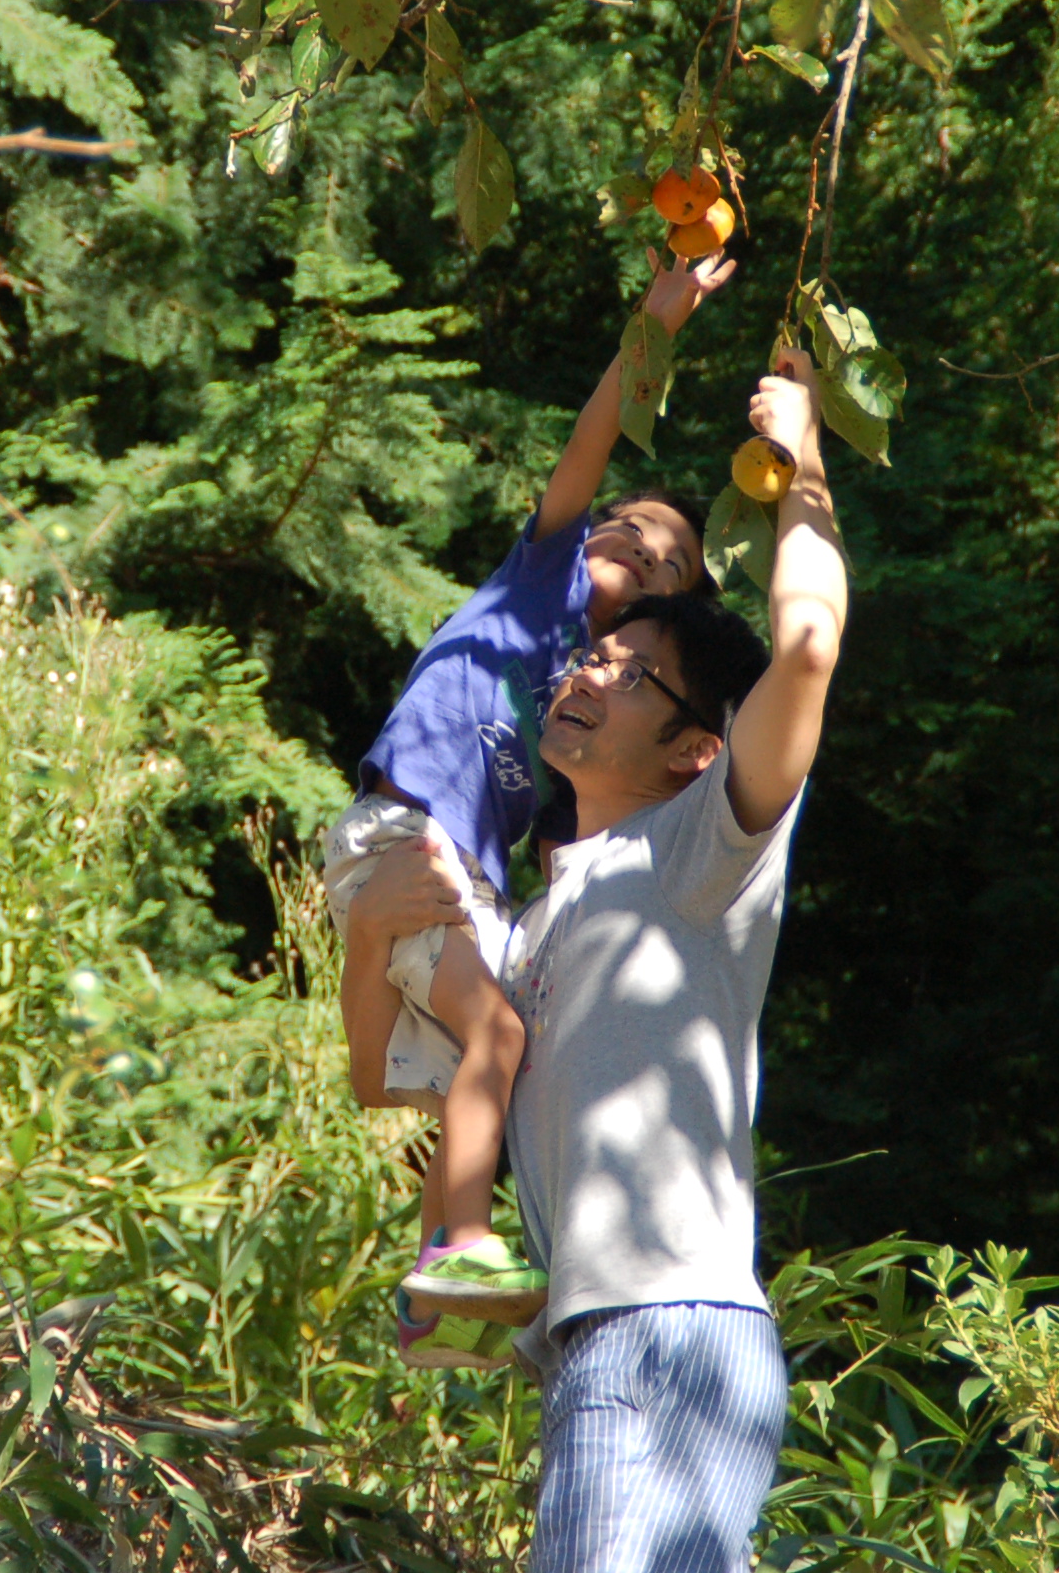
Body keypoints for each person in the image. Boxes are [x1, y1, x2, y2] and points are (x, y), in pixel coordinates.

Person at [341, 347, 845, 1564]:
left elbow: (809, 650)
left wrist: (802, 460)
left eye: (630, 675)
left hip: (661, 1329)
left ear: (690, 748)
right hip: (601, 1343)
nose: (586, 669)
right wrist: (366, 933)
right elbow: (381, 1078)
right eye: (593, 656)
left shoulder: (703, 846)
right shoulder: (525, 915)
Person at [323, 245, 735, 1367]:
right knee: (495, 1035)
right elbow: (594, 437)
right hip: (409, 835)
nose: (636, 536)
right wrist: (655, 326)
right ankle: (454, 1247)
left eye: (665, 556)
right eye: (627, 521)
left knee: (489, 1065)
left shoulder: (581, 688)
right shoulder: (536, 581)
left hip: (460, 868)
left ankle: (432, 1301)